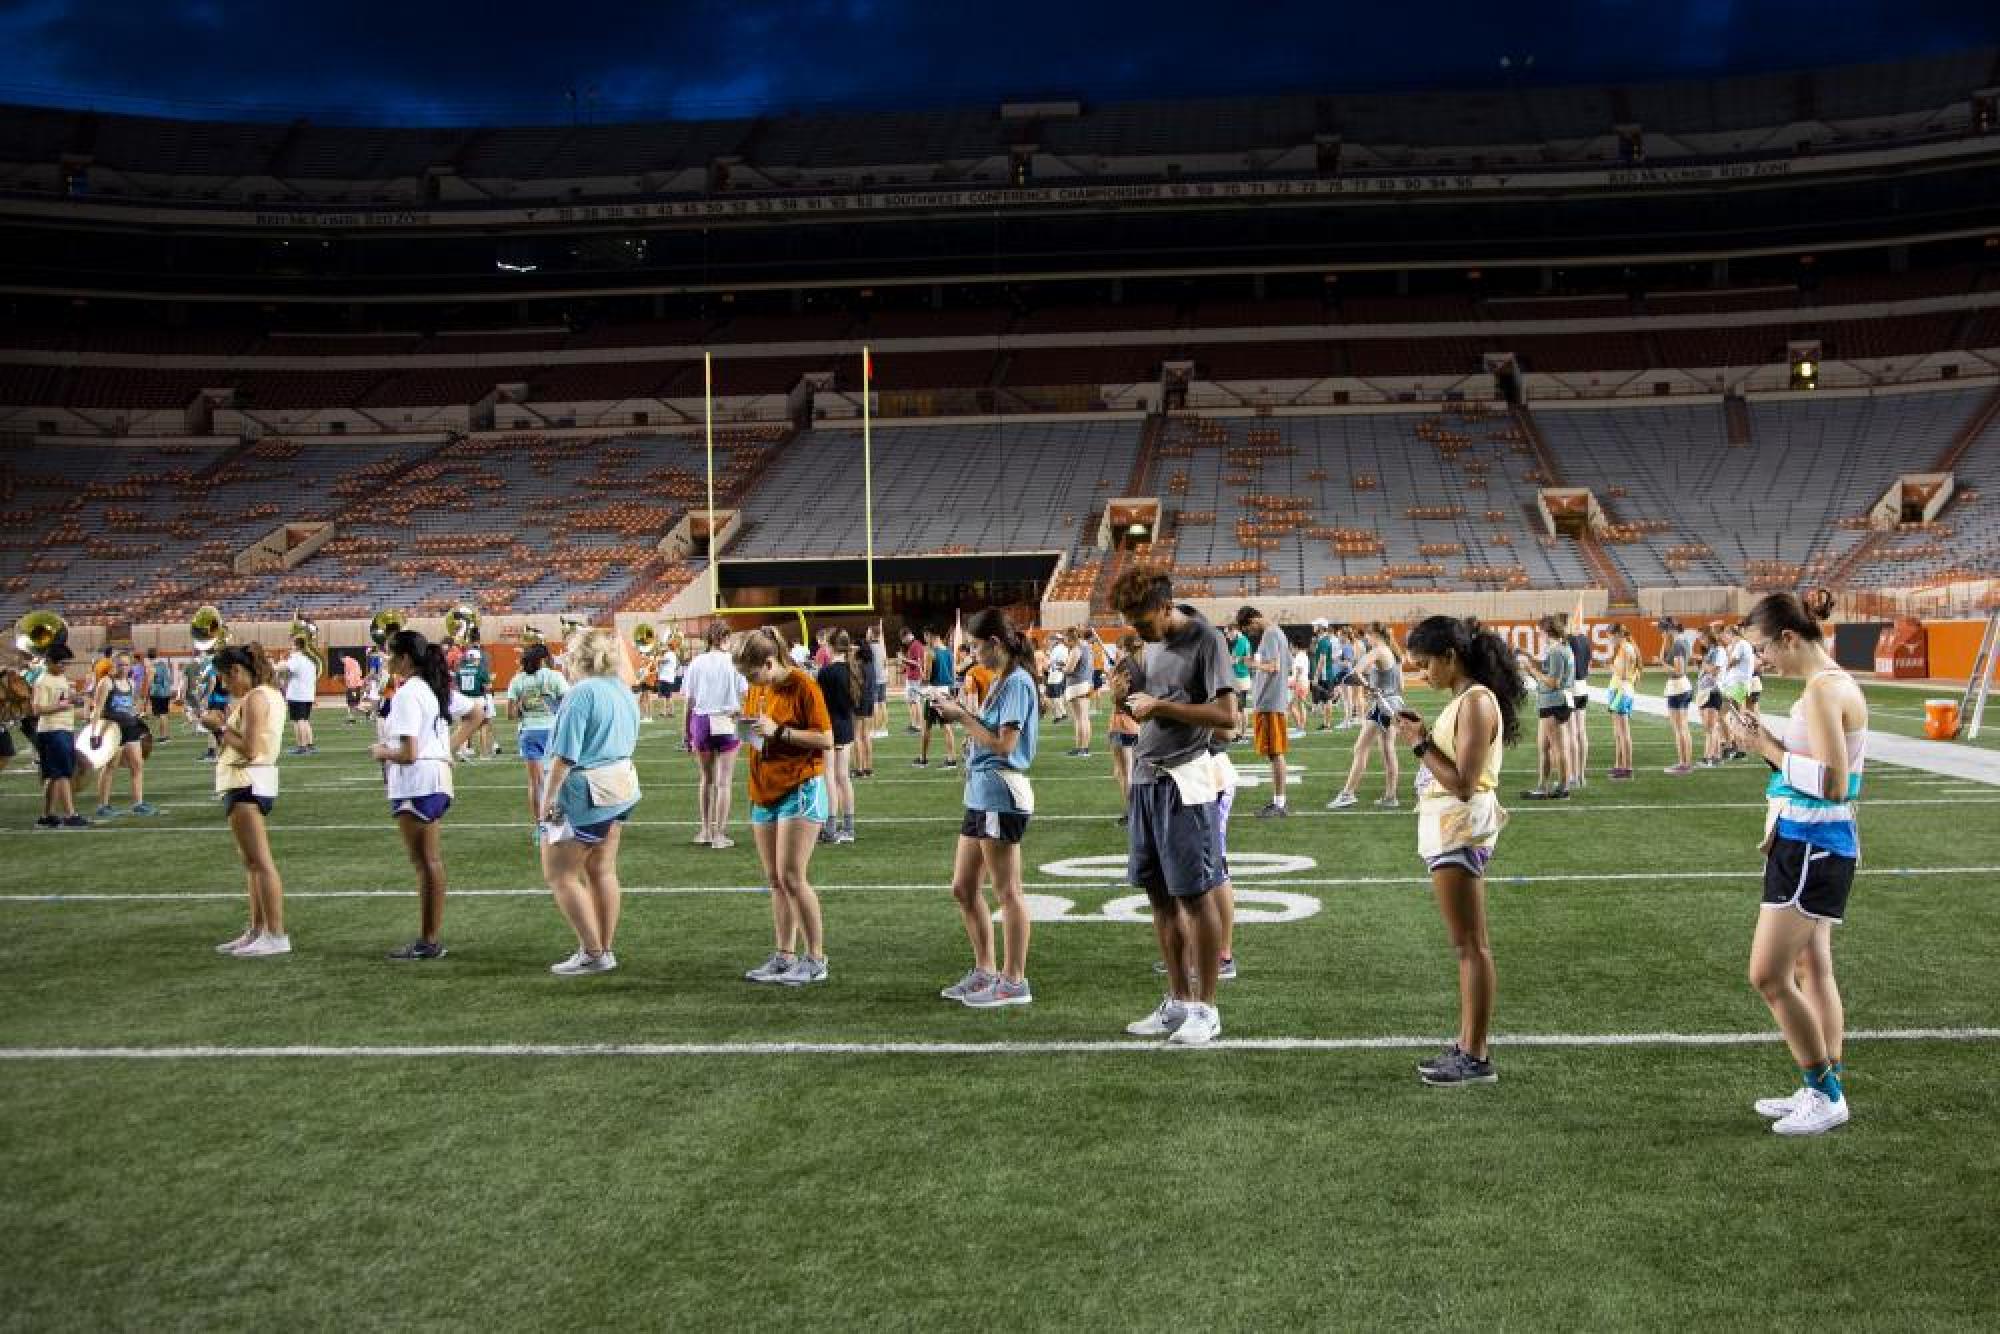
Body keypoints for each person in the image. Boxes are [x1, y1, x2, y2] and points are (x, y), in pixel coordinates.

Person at [1724, 590, 1867, 1136]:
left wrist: (1766, 747)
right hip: (1815, 841)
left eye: (1764, 650)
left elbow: (1833, 783)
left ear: (1788, 637)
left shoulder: (1823, 692)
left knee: (1768, 975)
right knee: (1812, 969)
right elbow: (1824, 766)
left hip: (1813, 844)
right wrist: (1766, 735)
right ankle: (1820, 1085)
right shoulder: (1823, 687)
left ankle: (1825, 1093)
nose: (1762, 661)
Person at [1109, 565, 1240, 1047]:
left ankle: (1207, 1008)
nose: (1138, 631)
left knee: (1195, 896)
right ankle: (1178, 1001)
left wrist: (1159, 707)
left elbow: (1229, 718)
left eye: (1143, 622)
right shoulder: (1150, 641)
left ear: (1166, 607)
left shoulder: (1207, 640)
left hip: (1186, 781)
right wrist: (1126, 696)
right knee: (1159, 898)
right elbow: (1144, 700)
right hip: (1146, 777)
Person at [1393, 616, 1522, 1087]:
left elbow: (1464, 784)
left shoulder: (1475, 702)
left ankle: (1476, 1054)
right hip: (1450, 828)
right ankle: (1468, 1045)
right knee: (1467, 946)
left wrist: (1419, 743)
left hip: (1460, 827)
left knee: (1472, 947)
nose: (1422, 673)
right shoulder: (1465, 700)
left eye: (1426, 664)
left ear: (1450, 656)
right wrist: (1426, 736)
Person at [929, 608, 1042, 1008]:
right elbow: (989, 734)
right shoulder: (1001, 680)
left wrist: (962, 718)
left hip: (1000, 791)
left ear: (995, 644)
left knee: (1008, 891)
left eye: (977, 647)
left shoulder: (1017, 682)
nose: (973, 655)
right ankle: (986, 970)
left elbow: (1006, 745)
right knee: (963, 887)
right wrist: (969, 725)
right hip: (981, 792)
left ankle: (1014, 980)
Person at [537, 627, 641, 976]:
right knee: (603, 870)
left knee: (560, 875)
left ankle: (594, 952)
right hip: (621, 787)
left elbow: (564, 756)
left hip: (587, 793)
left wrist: (547, 800)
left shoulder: (581, 693)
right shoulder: (622, 689)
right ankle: (603, 949)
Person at [736, 629, 835, 987]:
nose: (750, 682)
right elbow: (760, 728)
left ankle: (816, 958)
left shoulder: (804, 686)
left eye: (752, 674)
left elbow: (826, 739)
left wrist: (781, 733)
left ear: (769, 662)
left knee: (793, 877)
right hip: (764, 787)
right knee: (776, 880)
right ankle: (784, 955)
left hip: (800, 786)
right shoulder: (758, 687)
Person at [370, 629, 456, 961]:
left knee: (425, 863)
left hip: (416, 782)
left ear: (405, 658)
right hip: (433, 778)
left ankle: (428, 940)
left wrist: (380, 752)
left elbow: (407, 752)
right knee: (430, 861)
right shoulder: (428, 690)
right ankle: (430, 938)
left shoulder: (408, 693)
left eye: (391, 654)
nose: (388, 660)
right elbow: (475, 713)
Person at [207, 644, 289, 957]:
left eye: (227, 677)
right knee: (252, 863)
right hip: (252, 781)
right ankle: (258, 930)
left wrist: (219, 728)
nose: (225, 684)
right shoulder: (268, 695)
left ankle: (275, 934)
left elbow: (251, 747)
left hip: (246, 781)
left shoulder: (256, 697)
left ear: (240, 671)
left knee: (261, 863)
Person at [683, 622, 748, 849]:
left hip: (701, 721)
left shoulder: (696, 663)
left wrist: (686, 731)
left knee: (706, 779)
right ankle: (720, 834)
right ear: (725, 638)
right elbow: (744, 695)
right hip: (727, 720)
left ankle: (705, 830)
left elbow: (689, 701)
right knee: (724, 782)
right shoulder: (734, 662)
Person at [1326, 624, 1405, 810]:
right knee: (1388, 750)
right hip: (1394, 704)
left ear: (1374, 635)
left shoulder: (1378, 651)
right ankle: (1390, 796)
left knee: (1360, 748)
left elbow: (1356, 671)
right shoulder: (1394, 653)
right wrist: (1375, 687)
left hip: (1382, 706)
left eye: (1368, 636)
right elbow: (1401, 685)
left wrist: (1370, 688)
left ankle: (1347, 794)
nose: (1366, 639)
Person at [1236, 606, 1293, 817]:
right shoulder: (1277, 632)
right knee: (1274, 753)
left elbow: (1274, 667)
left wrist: (1251, 663)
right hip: (1273, 700)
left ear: (1252, 620)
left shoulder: (1270, 634)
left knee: (1275, 753)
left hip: (1270, 702)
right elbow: (1286, 664)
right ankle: (1278, 801)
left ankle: (1279, 803)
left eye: (1248, 629)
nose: (1250, 633)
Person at [87, 648, 158, 818]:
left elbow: (129, 705)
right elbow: (97, 710)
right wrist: (94, 733)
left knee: (137, 765)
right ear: (114, 665)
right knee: (110, 767)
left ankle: (138, 803)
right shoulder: (106, 683)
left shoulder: (131, 683)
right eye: (120, 665)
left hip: (130, 728)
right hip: (113, 730)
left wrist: (136, 714)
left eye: (126, 665)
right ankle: (103, 805)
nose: (124, 668)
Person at [506, 642, 569, 827]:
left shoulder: (517, 680)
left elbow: (510, 714)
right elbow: (567, 705)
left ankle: (540, 825)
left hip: (529, 731)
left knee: (535, 783)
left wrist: (525, 708)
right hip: (553, 731)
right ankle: (558, 822)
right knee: (558, 779)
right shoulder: (555, 676)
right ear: (543, 659)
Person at [1516, 616, 1575, 800]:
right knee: (1544, 747)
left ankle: (1563, 787)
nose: (1538, 634)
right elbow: (1546, 668)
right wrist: (1529, 658)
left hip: (1554, 701)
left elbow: (1554, 682)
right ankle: (1543, 786)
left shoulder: (1557, 650)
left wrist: (1531, 670)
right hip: (1551, 702)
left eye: (1540, 631)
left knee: (1558, 748)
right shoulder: (1560, 648)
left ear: (1547, 631)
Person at [29, 645, 88, 828]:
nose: (65, 667)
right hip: (53, 731)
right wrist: (64, 704)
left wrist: (75, 698)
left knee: (53, 776)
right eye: (62, 663)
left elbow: (63, 699)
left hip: (61, 729)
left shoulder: (60, 677)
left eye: (67, 663)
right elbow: (37, 709)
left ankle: (47, 816)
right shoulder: (42, 681)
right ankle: (70, 814)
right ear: (49, 662)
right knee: (63, 773)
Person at [815, 628, 861, 845]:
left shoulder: (827, 672)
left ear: (831, 646)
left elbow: (820, 704)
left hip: (829, 728)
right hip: (846, 727)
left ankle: (831, 827)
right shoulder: (853, 669)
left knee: (830, 777)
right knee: (844, 778)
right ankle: (849, 828)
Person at [1108, 633, 1143, 822]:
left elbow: (1117, 696)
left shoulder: (1124, 666)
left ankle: (1132, 812)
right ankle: (1139, 810)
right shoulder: (1144, 665)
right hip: (1139, 725)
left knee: (1124, 772)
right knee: (1135, 771)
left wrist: (1112, 679)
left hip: (1121, 723)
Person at [914, 628, 960, 768]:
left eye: (925, 636)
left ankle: (923, 759)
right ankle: (951, 759)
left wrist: (920, 669)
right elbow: (952, 674)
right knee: (946, 726)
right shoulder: (949, 652)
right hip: (946, 691)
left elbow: (926, 678)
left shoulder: (930, 653)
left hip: (933, 693)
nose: (925, 640)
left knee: (926, 726)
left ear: (930, 635)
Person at [1657, 617, 1695, 775]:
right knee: (1683, 728)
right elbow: (1665, 656)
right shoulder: (1682, 641)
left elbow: (1678, 671)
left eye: (1663, 632)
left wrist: (1663, 664)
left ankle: (1683, 763)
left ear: (1668, 630)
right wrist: (1665, 642)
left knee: (1680, 729)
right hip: (1682, 687)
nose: (1661, 635)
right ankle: (1686, 763)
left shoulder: (1678, 644)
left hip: (1678, 687)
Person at [1604, 622, 1641, 780]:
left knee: (1624, 733)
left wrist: (1609, 666)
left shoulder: (1626, 649)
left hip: (1621, 691)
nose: (1609, 639)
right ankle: (1620, 765)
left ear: (1618, 634)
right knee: (1618, 733)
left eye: (1611, 636)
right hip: (1618, 690)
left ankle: (1627, 768)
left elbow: (1624, 675)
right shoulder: (1624, 648)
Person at [1718, 623, 1757, 759]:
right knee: (1733, 715)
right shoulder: (1739, 645)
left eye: (1726, 635)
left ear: (1731, 634)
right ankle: (1737, 746)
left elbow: (1731, 663)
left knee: (1731, 714)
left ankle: (1736, 746)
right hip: (1735, 684)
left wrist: (1728, 653)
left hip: (1738, 684)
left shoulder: (1741, 644)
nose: (1725, 638)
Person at [1564, 613, 1594, 788]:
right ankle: (1581, 774)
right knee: (1582, 732)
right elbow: (1588, 663)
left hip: (1572, 688)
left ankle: (1574, 775)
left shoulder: (1570, 640)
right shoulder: (1584, 640)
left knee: (1571, 733)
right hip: (1583, 686)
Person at [452, 646, 498, 758]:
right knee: (483, 725)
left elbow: (457, 686)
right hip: (478, 699)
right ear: (476, 658)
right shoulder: (481, 670)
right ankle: (483, 753)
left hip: (464, 699)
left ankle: (462, 751)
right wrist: (488, 682)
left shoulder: (460, 670)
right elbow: (488, 687)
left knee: (463, 726)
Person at [279, 637, 319, 756]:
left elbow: (284, 668)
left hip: (297, 695)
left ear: (296, 646)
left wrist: (275, 665)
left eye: (292, 645)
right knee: (305, 720)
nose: (290, 647)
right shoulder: (309, 660)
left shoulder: (296, 658)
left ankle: (302, 746)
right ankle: (310, 745)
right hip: (307, 695)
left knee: (298, 721)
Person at [1695, 630, 1727, 768]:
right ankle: (1715, 756)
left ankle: (1710, 757)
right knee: (1709, 727)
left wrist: (1702, 662)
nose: (1700, 640)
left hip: (1712, 691)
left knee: (1711, 727)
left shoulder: (1718, 651)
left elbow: (1715, 670)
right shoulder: (1711, 651)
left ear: (1708, 637)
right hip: (1704, 691)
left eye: (1702, 637)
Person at [1062, 625, 1095, 756]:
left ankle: (1080, 748)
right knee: (1085, 718)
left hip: (1076, 685)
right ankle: (1085, 747)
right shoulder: (1087, 647)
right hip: (1086, 684)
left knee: (1079, 719)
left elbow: (1069, 669)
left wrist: (1061, 668)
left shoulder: (1076, 649)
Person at [853, 632, 879, 777]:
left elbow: (856, 685)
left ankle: (860, 768)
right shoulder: (870, 664)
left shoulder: (859, 665)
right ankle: (868, 767)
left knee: (857, 735)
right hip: (869, 700)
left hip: (860, 700)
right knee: (866, 735)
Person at [1308, 619, 1339, 730]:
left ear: (1321, 627)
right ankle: (1326, 723)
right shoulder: (1322, 640)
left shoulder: (1324, 641)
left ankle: (1327, 724)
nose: (1314, 627)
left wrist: (1316, 676)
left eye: (1316, 625)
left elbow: (1322, 660)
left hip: (1326, 675)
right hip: (1325, 674)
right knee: (1326, 700)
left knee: (1328, 700)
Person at [901, 628, 928, 733]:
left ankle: (918, 726)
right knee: (912, 701)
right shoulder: (915, 645)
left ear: (907, 635)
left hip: (914, 678)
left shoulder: (915, 645)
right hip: (914, 677)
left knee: (915, 702)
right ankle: (915, 724)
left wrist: (904, 660)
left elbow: (917, 663)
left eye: (903, 639)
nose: (903, 641)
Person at [146, 648, 176, 741]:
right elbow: (169, 678)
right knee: (164, 714)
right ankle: (166, 735)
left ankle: (163, 737)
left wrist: (146, 694)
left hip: (157, 692)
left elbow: (150, 681)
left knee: (161, 714)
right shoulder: (163, 665)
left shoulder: (152, 667)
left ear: (148, 656)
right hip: (166, 692)